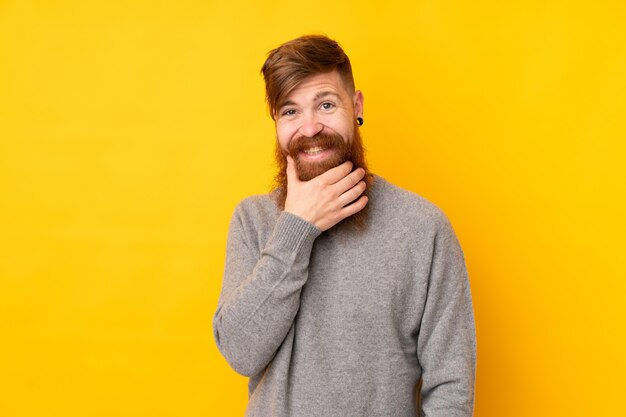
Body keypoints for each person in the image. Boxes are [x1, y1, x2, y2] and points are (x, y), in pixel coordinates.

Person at [213, 34, 476, 417]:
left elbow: (452, 386)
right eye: (290, 111)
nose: (309, 127)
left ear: (356, 106)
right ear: (276, 122)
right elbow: (239, 351)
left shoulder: (423, 228)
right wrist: (296, 228)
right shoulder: (253, 221)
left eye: (325, 104)